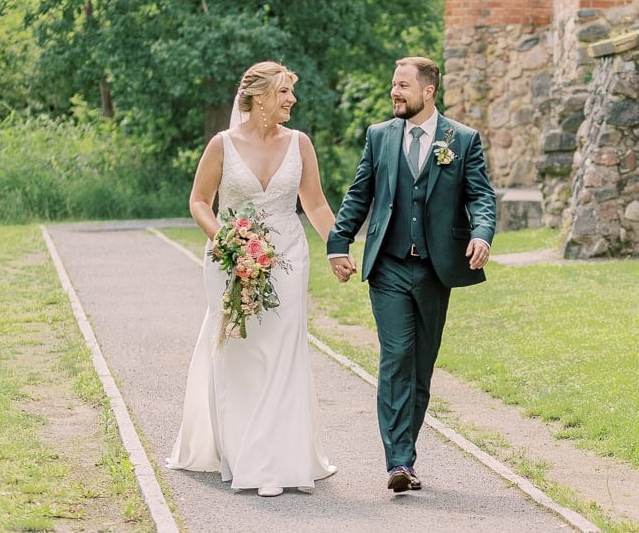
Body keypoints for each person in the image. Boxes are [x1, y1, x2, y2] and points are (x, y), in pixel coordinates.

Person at [167, 61, 338, 497]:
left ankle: (279, 460)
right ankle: (244, 455)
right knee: (239, 351)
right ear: (259, 96)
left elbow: (315, 205)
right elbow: (200, 201)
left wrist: (336, 248)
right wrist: (226, 240)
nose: (291, 100)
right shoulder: (222, 145)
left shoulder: (300, 144)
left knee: (283, 352)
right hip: (229, 258)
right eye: (283, 92)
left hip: (288, 257)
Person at [327, 56, 496, 493]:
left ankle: (406, 455)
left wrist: (482, 234)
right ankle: (398, 461)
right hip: (389, 266)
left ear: (428, 91)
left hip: (436, 270)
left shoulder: (462, 139)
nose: (394, 92)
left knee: (421, 366)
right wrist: (337, 242)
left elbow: (481, 197)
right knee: (397, 354)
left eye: (402, 85)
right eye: (392, 85)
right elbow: (359, 193)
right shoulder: (379, 136)